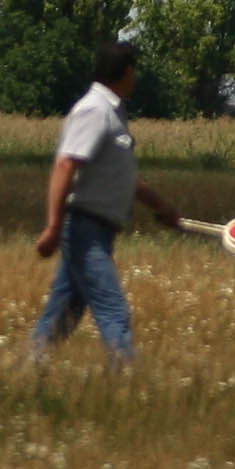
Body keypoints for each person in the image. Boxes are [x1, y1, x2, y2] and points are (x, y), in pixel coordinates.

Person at [30, 40, 181, 365]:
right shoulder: (94, 111)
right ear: (125, 71)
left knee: (63, 313)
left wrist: (161, 206)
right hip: (84, 229)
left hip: (97, 229)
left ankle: (28, 371)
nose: (136, 77)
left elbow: (122, 177)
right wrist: (54, 226)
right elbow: (66, 165)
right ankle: (126, 380)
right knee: (114, 311)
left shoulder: (111, 112)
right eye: (134, 70)